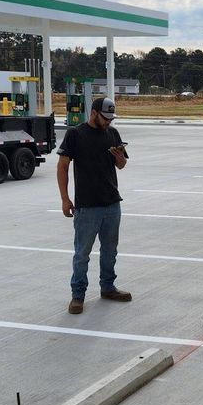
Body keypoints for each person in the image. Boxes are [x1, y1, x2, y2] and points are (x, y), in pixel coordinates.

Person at [57, 95, 132, 314]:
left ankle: (108, 287)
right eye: (105, 117)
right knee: (82, 253)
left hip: (112, 203)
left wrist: (119, 157)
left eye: (111, 118)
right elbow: (62, 167)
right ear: (93, 113)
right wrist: (64, 199)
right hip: (87, 206)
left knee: (110, 250)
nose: (109, 121)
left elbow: (122, 165)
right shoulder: (75, 134)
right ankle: (77, 295)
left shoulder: (113, 133)